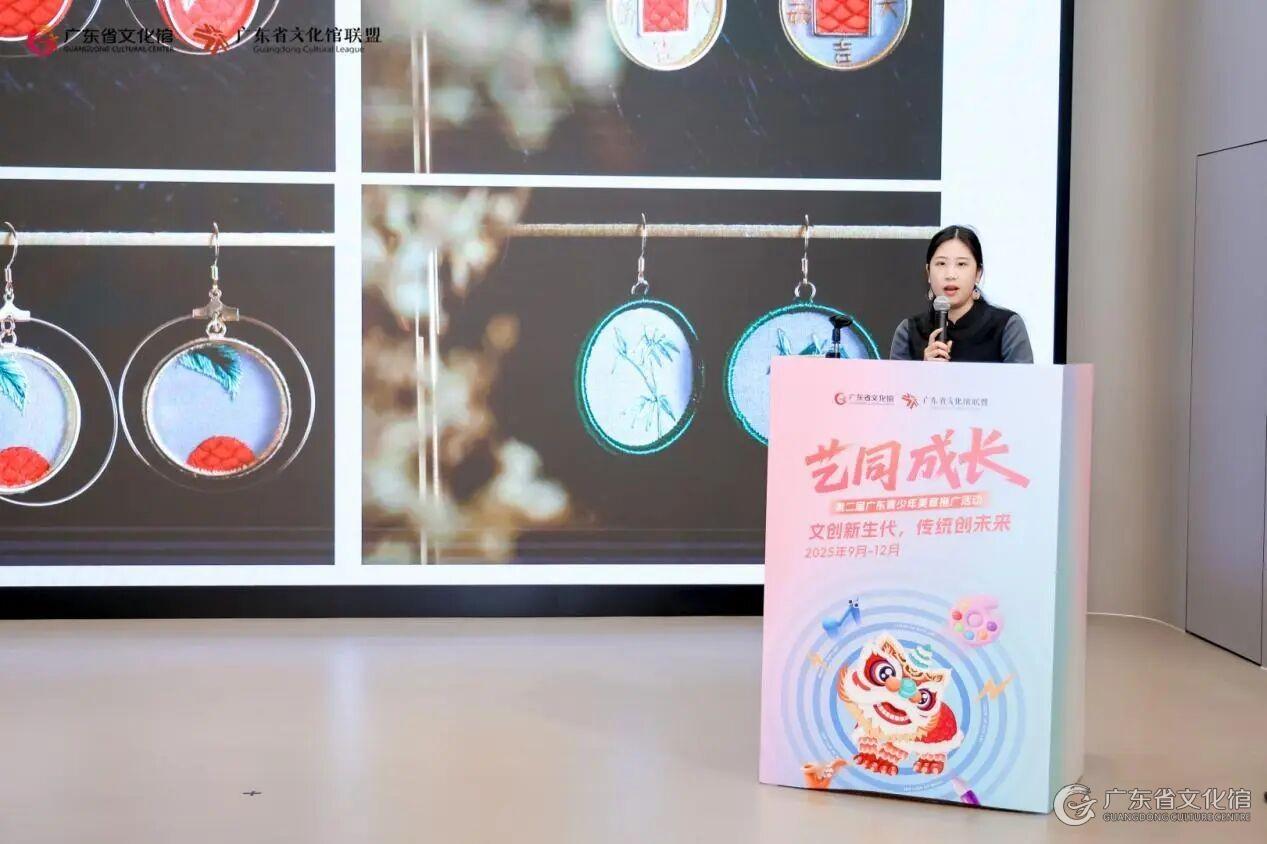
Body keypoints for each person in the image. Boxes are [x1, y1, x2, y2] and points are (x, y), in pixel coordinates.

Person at [889, 225, 1033, 363]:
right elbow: (896, 381)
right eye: (941, 264)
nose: (950, 275)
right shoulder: (909, 331)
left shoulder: (1007, 327)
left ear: (978, 273)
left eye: (961, 264)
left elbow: (1022, 380)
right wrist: (923, 370)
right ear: (928, 272)